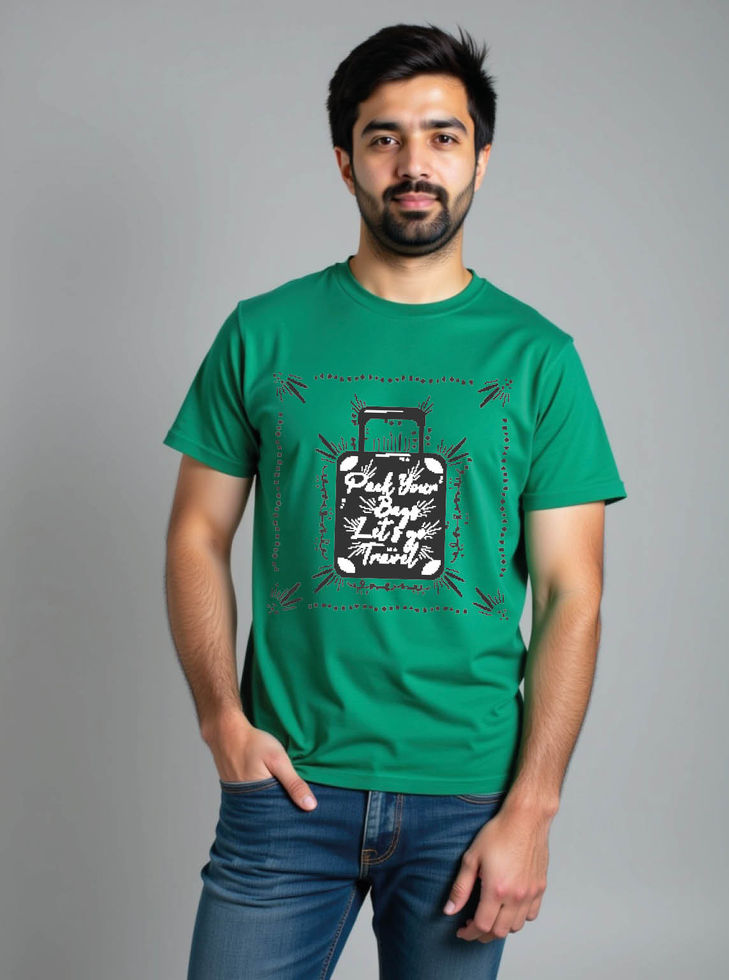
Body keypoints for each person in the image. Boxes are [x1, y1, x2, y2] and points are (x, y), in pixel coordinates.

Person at [163, 22, 627, 980]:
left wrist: (533, 808)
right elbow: (196, 535)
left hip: (467, 798)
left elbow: (571, 592)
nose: (415, 164)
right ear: (346, 162)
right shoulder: (262, 334)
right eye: (385, 138)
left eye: (443, 136)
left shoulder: (538, 358)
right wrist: (220, 720)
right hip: (287, 787)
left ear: (480, 159)